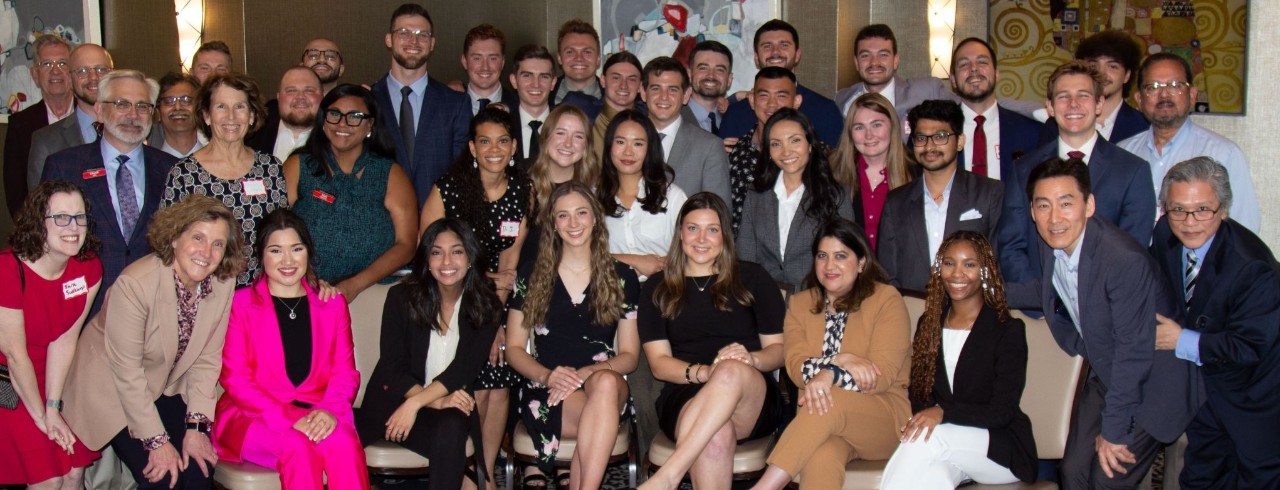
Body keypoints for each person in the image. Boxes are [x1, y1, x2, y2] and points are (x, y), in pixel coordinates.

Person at [1004, 158, 1201, 489]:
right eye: (1043, 205)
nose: (1054, 217)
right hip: (1109, 370)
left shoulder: (1122, 260)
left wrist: (1114, 432)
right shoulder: (1054, 240)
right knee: (1073, 473)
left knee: (1106, 480)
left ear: (1089, 205)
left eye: (1066, 203)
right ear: (1033, 211)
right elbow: (1053, 288)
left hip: (1153, 381)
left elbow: (1133, 354)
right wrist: (986, 291)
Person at [62, 195, 245, 489]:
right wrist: (157, 442)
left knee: (198, 474)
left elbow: (207, 358)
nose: (206, 252)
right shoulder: (135, 285)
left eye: (218, 244)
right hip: (113, 388)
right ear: (174, 237)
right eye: (198, 238)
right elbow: (127, 373)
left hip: (165, 383)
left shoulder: (222, 282)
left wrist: (196, 427)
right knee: (165, 478)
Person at [636, 193, 785, 490]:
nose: (701, 239)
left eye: (712, 229)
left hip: (751, 393)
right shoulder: (657, 287)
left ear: (725, 235)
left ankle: (668, 475)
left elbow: (780, 351)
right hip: (685, 392)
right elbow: (659, 364)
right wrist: (705, 372)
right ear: (680, 233)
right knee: (715, 436)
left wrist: (751, 359)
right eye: (693, 228)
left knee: (730, 369)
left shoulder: (753, 278)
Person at [751, 218, 912, 490]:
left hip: (882, 417)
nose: (829, 265)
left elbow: (879, 376)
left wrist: (830, 375)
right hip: (822, 422)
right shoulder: (800, 304)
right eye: (822, 256)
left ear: (861, 262)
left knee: (829, 397)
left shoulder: (886, 300)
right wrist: (839, 360)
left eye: (841, 256)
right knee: (821, 456)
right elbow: (796, 367)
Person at [1148, 157, 1280, 489]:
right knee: (1201, 478)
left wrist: (1180, 339)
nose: (1189, 222)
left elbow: (1249, 346)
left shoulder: (1252, 267)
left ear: (1223, 210)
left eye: (1203, 210)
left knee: (1257, 479)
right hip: (1204, 389)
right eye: (1178, 209)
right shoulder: (1164, 234)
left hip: (1255, 394)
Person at [213, 209, 368, 489]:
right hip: (254, 416)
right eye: (276, 251)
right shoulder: (240, 304)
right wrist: (288, 418)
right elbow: (236, 379)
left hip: (319, 409)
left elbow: (345, 373)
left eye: (296, 249)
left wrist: (329, 411)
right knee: (299, 447)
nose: (288, 260)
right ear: (261, 255)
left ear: (308, 252)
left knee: (345, 444)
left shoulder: (332, 305)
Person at [419, 105, 530, 488]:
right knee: (478, 380)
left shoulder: (523, 190)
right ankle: (467, 471)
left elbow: (510, 263)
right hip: (451, 297)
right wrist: (483, 288)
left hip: (496, 300)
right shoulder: (448, 189)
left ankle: (485, 472)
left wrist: (494, 318)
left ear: (513, 146)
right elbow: (431, 252)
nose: (493, 149)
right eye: (484, 141)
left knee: (499, 381)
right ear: (472, 147)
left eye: (502, 141)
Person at [505, 182, 641, 490]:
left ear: (595, 218)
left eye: (581, 213)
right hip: (548, 387)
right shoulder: (531, 274)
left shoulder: (622, 276)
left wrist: (586, 373)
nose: (573, 223)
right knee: (599, 417)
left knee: (605, 385)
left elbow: (630, 356)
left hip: (604, 381)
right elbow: (513, 348)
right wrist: (548, 376)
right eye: (563, 215)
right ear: (553, 223)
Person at [880, 231, 1036, 488]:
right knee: (933, 478)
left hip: (1000, 448)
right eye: (949, 263)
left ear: (985, 271)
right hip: (950, 447)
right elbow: (919, 396)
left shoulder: (1007, 330)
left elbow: (1002, 411)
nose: (956, 273)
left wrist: (943, 413)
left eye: (969, 264)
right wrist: (934, 415)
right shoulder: (929, 324)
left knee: (926, 438)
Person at [357, 218, 503, 490]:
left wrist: (417, 404)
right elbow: (392, 366)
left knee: (453, 425)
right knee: (451, 427)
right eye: (437, 252)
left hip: (440, 408)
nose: (446, 261)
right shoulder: (401, 298)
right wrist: (432, 400)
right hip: (393, 404)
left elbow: (465, 368)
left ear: (470, 258)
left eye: (457, 251)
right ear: (426, 259)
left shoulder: (487, 305)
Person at [998, 61, 1154, 284]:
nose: (1073, 104)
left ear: (1099, 103)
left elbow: (1133, 252)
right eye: (1063, 96)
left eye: (1083, 95)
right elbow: (1011, 245)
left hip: (1108, 299)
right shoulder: (1023, 169)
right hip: (1038, 299)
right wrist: (1039, 298)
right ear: (1050, 107)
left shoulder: (1133, 171)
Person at [41, 69, 179, 317]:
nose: (133, 115)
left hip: (154, 309)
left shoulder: (172, 170)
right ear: (99, 110)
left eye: (142, 106)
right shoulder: (65, 166)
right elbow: (45, 244)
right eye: (121, 104)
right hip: (83, 309)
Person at [0, 180, 103, 488]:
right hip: (9, 381)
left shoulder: (88, 268)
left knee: (74, 472)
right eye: (60, 217)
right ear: (37, 223)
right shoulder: (7, 270)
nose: (73, 227)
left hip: (52, 378)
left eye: (79, 216)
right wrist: (43, 418)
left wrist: (53, 406)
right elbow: (15, 356)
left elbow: (64, 339)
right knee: (50, 479)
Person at [285, 83, 417, 301]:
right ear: (323, 121)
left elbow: (406, 244)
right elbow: (274, 231)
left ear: (370, 124)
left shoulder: (390, 173)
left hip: (371, 293)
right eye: (334, 114)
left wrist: (354, 285)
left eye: (355, 116)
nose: (343, 123)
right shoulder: (298, 166)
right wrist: (306, 279)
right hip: (304, 292)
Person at [162, 72, 288, 287]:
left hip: (260, 293)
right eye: (221, 107)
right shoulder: (184, 174)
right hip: (204, 293)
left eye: (239, 107)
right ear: (206, 116)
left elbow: (283, 233)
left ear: (251, 116)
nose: (231, 116)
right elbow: (167, 242)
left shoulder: (270, 168)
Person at [1118, 53, 1261, 232]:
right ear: (1139, 99)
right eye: (1153, 87)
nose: (1164, 94)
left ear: (1192, 95)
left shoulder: (1224, 154)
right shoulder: (1122, 153)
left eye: (1175, 85)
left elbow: (1244, 229)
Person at [879, 100, 1003, 294]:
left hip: (972, 305)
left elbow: (998, 264)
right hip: (912, 306)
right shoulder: (896, 201)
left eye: (940, 137)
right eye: (921, 138)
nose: (929, 146)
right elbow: (888, 274)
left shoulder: (989, 193)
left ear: (960, 141)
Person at [737, 108, 853, 293]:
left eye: (795, 140)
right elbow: (746, 256)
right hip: (765, 296)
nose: (786, 151)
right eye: (776, 144)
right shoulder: (756, 194)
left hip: (817, 297)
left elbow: (845, 257)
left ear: (810, 144)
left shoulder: (835, 195)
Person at [371, 3, 469, 207]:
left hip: (437, 220)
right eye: (404, 33)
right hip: (380, 220)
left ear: (432, 43)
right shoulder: (368, 101)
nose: (413, 41)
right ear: (389, 39)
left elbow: (461, 175)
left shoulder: (456, 104)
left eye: (422, 35)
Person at [716, 20, 843, 147]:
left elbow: (837, 157)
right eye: (767, 46)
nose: (775, 52)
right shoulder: (735, 114)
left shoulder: (825, 111)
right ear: (756, 58)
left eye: (784, 45)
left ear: (797, 55)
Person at [598, 109, 687, 280]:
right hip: (610, 291)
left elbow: (690, 250)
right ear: (609, 146)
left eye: (638, 144)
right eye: (620, 142)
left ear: (650, 149)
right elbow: (581, 255)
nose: (628, 152)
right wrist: (635, 262)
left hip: (663, 289)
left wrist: (664, 265)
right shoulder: (592, 197)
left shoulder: (673, 197)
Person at [948, 37, 1042, 181]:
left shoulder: (1032, 132)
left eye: (982, 62)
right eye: (964, 64)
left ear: (996, 74)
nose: (974, 68)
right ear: (953, 80)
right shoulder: (936, 133)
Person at [642, 56, 731, 204]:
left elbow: (719, 210)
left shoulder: (710, 147)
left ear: (686, 95)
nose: (664, 97)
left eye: (673, 89)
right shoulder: (624, 140)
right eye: (656, 88)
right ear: (643, 92)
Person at [519, 104, 600, 267]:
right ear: (546, 137)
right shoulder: (521, 181)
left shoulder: (595, 188)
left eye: (578, 136)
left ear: (586, 145)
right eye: (561, 133)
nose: (568, 143)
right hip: (527, 274)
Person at [829, 92, 912, 249]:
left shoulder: (917, 174)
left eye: (876, 125)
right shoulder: (833, 174)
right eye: (859, 127)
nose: (869, 135)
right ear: (850, 133)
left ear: (893, 126)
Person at [27, 44, 114, 193]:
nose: (93, 77)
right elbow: (39, 203)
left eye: (101, 69)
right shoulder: (46, 141)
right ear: (69, 79)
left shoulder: (137, 129)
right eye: (83, 71)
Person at [727, 67, 803, 233]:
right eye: (764, 95)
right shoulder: (732, 154)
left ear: (796, 102)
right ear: (752, 100)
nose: (772, 104)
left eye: (781, 96)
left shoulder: (814, 155)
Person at [1038, 30, 1149, 145]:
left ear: (1127, 75)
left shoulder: (1144, 126)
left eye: (1112, 66)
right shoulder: (1056, 123)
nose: (1101, 73)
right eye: (1093, 65)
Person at [5, 34, 74, 217]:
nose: (55, 71)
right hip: (41, 223)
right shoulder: (20, 125)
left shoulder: (93, 117)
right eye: (47, 64)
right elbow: (16, 192)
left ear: (73, 72)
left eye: (62, 63)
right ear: (35, 75)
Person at [834, 24, 951, 122]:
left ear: (895, 61)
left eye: (883, 55)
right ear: (856, 63)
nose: (874, 62)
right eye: (865, 55)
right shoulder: (843, 100)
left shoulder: (928, 91)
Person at [246, 67, 323, 162]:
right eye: (291, 90)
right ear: (278, 97)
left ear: (323, 96)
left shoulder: (336, 142)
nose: (300, 97)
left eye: (309, 90)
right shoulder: (250, 137)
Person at [506, 44, 557, 169]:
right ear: (514, 81)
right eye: (527, 76)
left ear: (553, 82)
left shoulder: (564, 125)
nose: (536, 84)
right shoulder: (503, 126)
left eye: (544, 76)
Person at [459, 24, 519, 116]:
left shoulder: (520, 106)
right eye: (477, 58)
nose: (485, 67)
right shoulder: (448, 105)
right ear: (464, 61)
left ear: (503, 62)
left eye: (493, 58)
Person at [149, 72, 207, 158]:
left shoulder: (221, 160)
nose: (178, 107)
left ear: (200, 110)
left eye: (186, 100)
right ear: (158, 113)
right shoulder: (148, 163)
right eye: (169, 101)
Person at [683, 40, 733, 134]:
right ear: (689, 75)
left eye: (719, 70)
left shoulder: (736, 120)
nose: (711, 75)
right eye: (703, 68)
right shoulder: (673, 118)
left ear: (729, 79)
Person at [551, 19, 602, 106]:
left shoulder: (615, 97)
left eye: (587, 52)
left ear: (598, 58)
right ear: (559, 58)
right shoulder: (545, 95)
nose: (579, 58)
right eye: (570, 52)